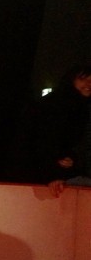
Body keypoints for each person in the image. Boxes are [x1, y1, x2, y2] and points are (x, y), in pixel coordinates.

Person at [38, 64, 91, 197]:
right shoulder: (54, 105)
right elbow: (41, 140)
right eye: (83, 79)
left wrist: (74, 160)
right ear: (71, 79)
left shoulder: (83, 108)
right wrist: (53, 173)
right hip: (54, 178)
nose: (89, 84)